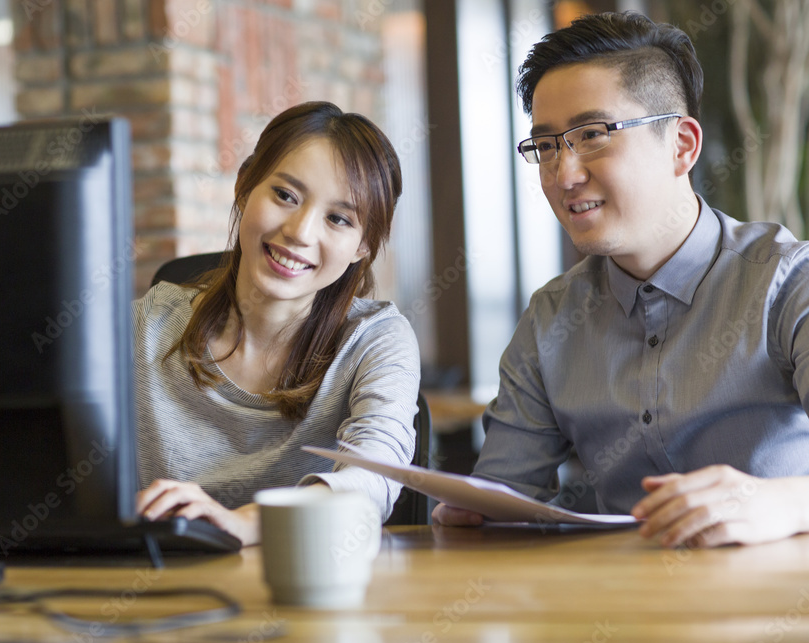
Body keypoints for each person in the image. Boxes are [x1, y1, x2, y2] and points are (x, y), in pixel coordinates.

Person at [434, 11, 809, 548]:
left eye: (593, 135)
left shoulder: (787, 281)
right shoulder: (552, 319)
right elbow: (503, 494)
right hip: (614, 612)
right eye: (546, 146)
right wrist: (475, 512)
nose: (563, 174)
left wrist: (782, 502)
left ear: (682, 145)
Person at [133, 101, 420, 546]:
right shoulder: (145, 325)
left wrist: (247, 523)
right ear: (245, 186)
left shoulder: (375, 340)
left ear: (363, 245)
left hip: (309, 600)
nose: (301, 232)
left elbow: (373, 478)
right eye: (285, 195)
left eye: (338, 219)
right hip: (159, 598)